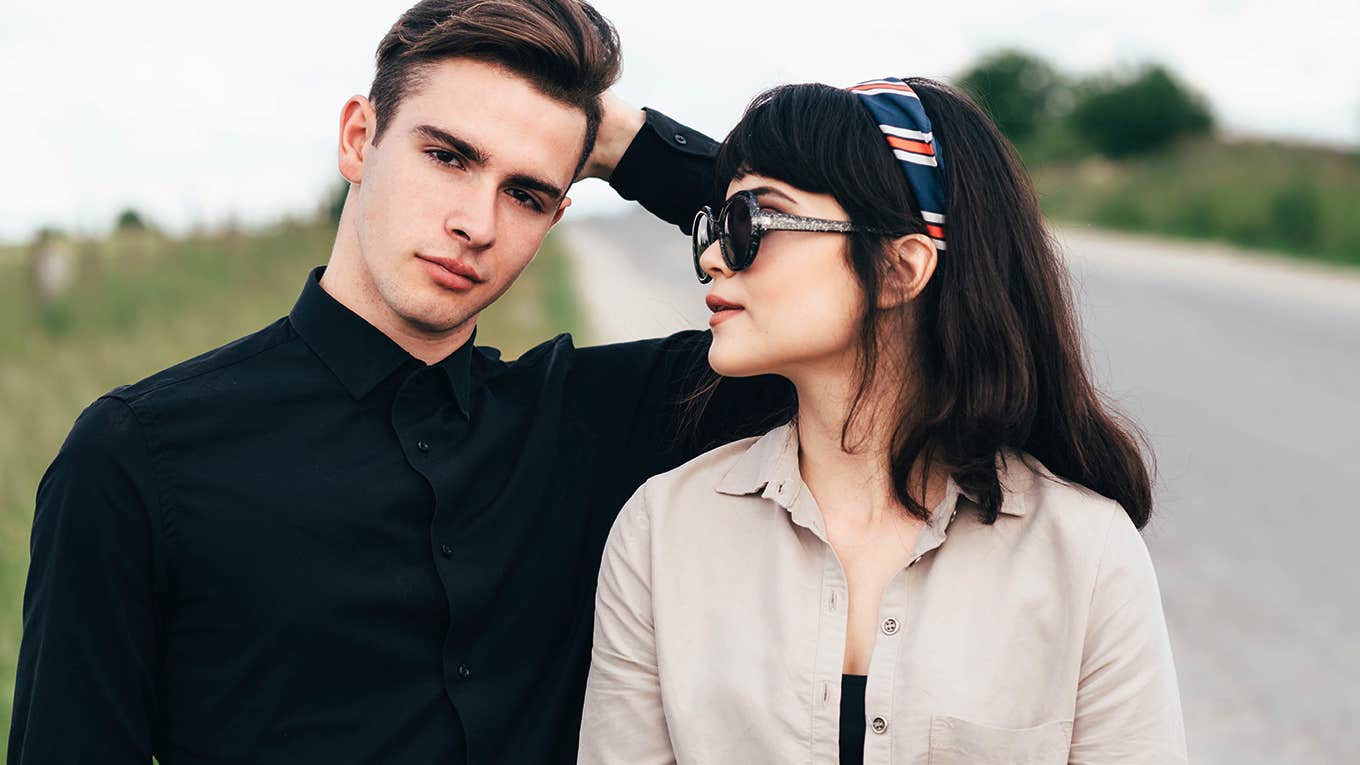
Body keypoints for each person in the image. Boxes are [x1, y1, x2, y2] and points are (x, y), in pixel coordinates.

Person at [8, 1, 783, 763]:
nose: (477, 223)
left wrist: (628, 142)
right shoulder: (137, 456)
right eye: (448, 156)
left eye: (525, 193)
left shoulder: (596, 419)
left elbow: (879, 307)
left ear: (555, 220)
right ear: (358, 138)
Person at [579, 78, 1188, 764]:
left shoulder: (1086, 554)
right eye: (714, 227)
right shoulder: (662, 532)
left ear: (902, 269)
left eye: (751, 223)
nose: (716, 256)